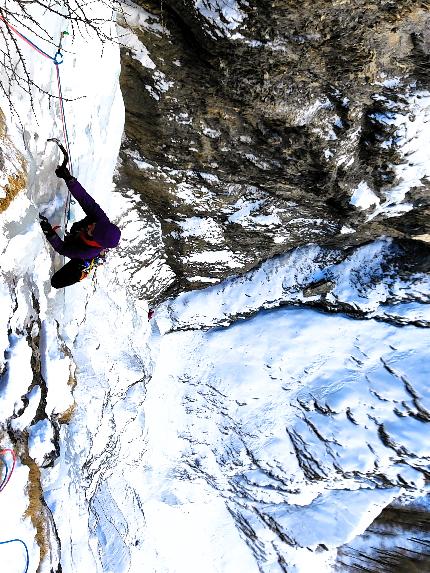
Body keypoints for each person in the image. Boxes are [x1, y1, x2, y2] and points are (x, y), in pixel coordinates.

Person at [40, 164, 121, 288]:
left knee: (56, 282)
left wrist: (51, 235)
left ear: (95, 239)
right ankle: (74, 236)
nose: (91, 226)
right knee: (76, 230)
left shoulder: (87, 252)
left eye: (92, 230)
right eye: (95, 225)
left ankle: (82, 270)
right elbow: (85, 200)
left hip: (83, 260)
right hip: (79, 238)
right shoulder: (101, 220)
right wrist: (69, 180)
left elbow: (62, 249)